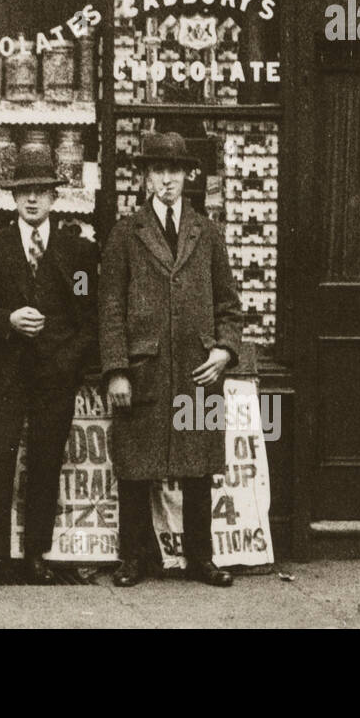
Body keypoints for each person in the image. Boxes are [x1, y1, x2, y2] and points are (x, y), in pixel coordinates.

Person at [98, 131, 241, 588]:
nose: (166, 180)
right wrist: (117, 369)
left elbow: (229, 306)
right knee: (136, 467)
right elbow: (110, 307)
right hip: (144, 370)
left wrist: (224, 350)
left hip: (199, 369)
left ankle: (202, 558)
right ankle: (133, 558)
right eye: (158, 171)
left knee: (198, 467)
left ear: (187, 176)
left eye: (174, 171)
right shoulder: (125, 232)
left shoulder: (209, 232)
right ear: (145, 177)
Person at [0, 149, 99, 590]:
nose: (32, 201)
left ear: (53, 198)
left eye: (40, 192)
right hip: (4, 373)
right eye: (25, 192)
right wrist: (6, 320)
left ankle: (36, 555)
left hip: (54, 377)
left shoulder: (78, 252)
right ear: (13, 198)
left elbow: (88, 318)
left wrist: (67, 362)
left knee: (46, 463)